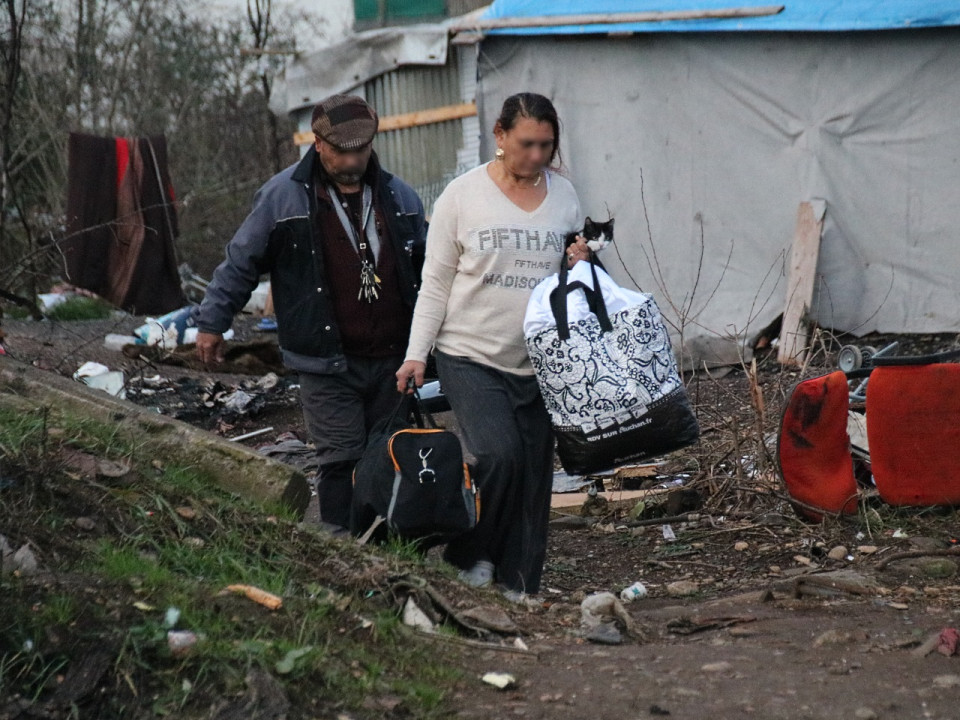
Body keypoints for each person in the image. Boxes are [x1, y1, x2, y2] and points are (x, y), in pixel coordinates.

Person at [196, 94, 426, 533]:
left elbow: (431, 268)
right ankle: (339, 546)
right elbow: (241, 259)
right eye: (342, 150)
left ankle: (386, 551)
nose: (353, 159)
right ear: (317, 143)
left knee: (388, 455)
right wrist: (213, 321)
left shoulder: (400, 196)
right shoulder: (282, 198)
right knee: (339, 459)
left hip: (394, 358)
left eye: (362, 149)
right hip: (325, 360)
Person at [396, 92, 591, 596]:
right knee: (498, 456)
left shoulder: (566, 196)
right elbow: (435, 282)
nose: (536, 155)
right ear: (500, 136)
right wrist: (418, 353)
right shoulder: (461, 197)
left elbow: (572, 278)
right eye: (526, 143)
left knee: (532, 475)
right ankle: (468, 554)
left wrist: (580, 262)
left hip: (543, 360)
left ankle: (520, 581)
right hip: (469, 354)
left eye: (546, 145)